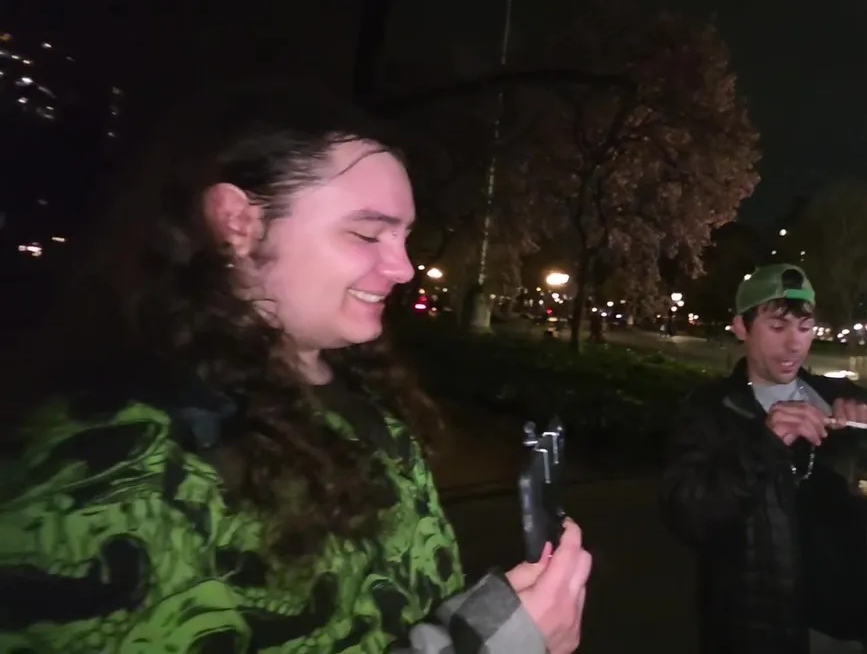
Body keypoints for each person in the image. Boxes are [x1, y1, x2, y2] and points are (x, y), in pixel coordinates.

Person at [0, 82, 590, 653]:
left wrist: (501, 619)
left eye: (404, 236)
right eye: (367, 234)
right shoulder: (112, 468)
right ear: (238, 223)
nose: (404, 268)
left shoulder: (357, 394)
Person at [658, 264, 867, 654]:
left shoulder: (843, 399)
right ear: (741, 327)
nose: (794, 344)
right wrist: (763, 443)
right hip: (769, 634)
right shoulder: (710, 410)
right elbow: (686, 516)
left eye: (804, 327)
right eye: (777, 326)